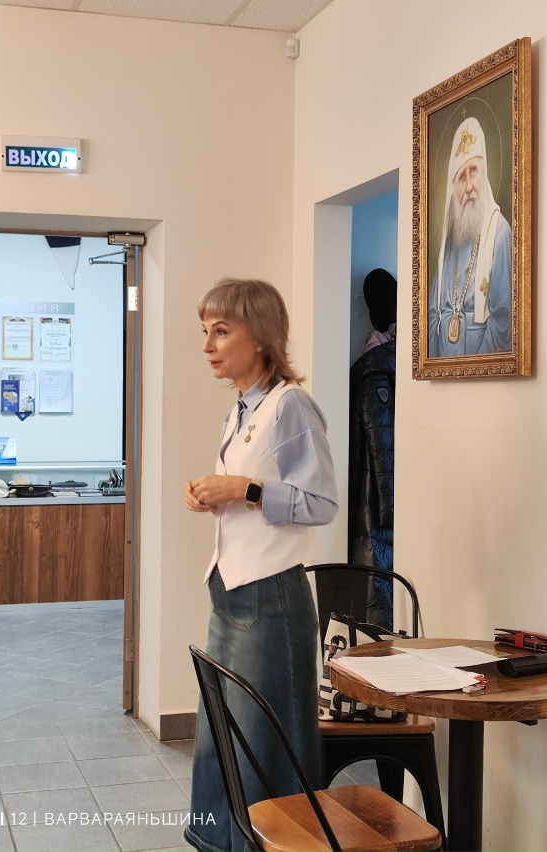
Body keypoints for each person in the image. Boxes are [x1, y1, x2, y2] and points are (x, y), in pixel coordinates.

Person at [184, 277, 338, 852]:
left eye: (221, 331)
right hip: (230, 594)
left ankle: (266, 845)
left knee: (263, 741)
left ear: (261, 336)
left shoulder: (290, 405)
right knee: (220, 736)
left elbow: (321, 503)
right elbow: (254, 494)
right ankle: (218, 843)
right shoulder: (241, 410)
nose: (208, 345)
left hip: (271, 598)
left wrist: (243, 489)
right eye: (206, 331)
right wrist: (214, 494)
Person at [428, 115, 512, 356]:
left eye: (472, 171)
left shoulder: (499, 232)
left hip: (478, 362)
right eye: (461, 177)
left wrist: (473, 368)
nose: (468, 187)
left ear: (484, 173)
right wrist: (438, 364)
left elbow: (502, 318)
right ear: (453, 186)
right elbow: (433, 313)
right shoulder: (450, 241)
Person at [348, 269, 396, 628]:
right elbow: (382, 444)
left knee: (380, 585)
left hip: (376, 498)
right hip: (382, 500)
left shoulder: (377, 366)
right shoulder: (382, 369)